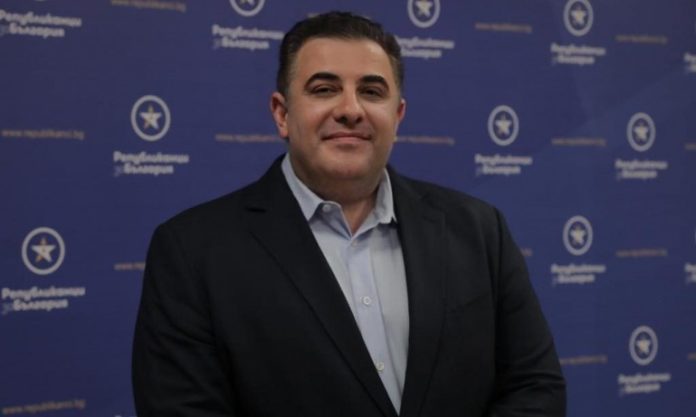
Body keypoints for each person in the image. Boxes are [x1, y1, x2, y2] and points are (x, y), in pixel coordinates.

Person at [132, 11, 566, 417]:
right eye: (324, 89)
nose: (350, 110)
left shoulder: (480, 230)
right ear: (282, 114)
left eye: (371, 92)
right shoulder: (193, 251)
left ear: (397, 116)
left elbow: (535, 387)